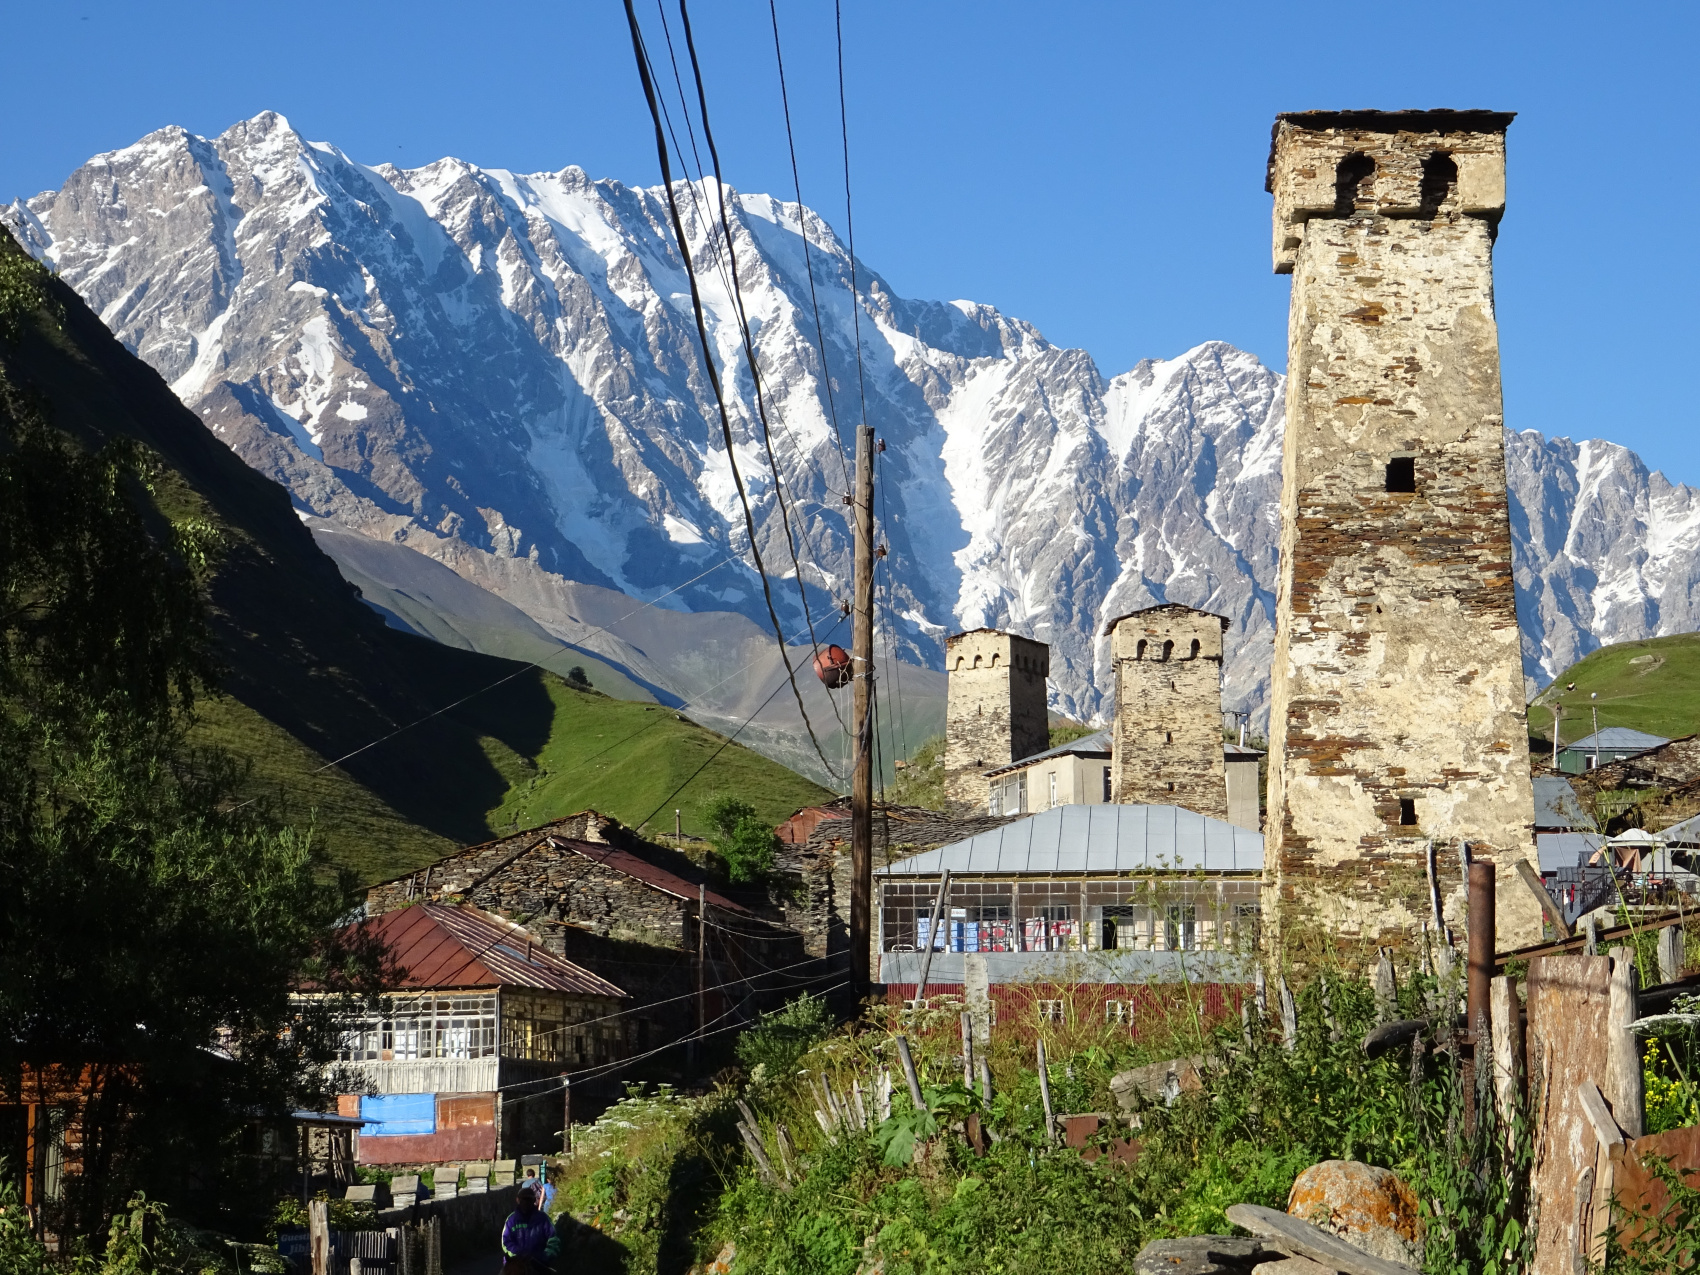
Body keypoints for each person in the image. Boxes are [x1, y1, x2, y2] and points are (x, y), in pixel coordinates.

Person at [501, 1183, 559, 1274]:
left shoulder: (543, 1219)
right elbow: (506, 1242)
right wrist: (518, 1254)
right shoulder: (511, 1220)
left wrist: (545, 1255)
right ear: (518, 1200)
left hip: (538, 1263)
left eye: (529, 1199)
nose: (526, 1202)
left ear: (534, 1200)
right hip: (515, 1264)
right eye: (523, 1199)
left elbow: (553, 1239)